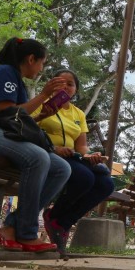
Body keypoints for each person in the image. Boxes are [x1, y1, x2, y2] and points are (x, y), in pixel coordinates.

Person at [0, 37, 71, 252]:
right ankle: (27, 234)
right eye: (42, 63)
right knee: (38, 157)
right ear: (31, 59)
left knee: (62, 168)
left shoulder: (17, 80)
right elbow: (7, 111)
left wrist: (40, 115)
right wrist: (45, 94)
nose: (41, 68)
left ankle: (10, 226)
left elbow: (16, 120)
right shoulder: (5, 72)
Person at [37, 69, 115, 258]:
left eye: (70, 84)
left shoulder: (78, 113)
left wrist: (91, 155)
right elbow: (28, 129)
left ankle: (60, 223)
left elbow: (81, 146)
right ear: (51, 84)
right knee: (84, 177)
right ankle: (55, 219)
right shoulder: (40, 105)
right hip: (47, 154)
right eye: (60, 82)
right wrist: (53, 147)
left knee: (106, 183)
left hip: (72, 157)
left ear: (76, 90)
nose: (65, 87)